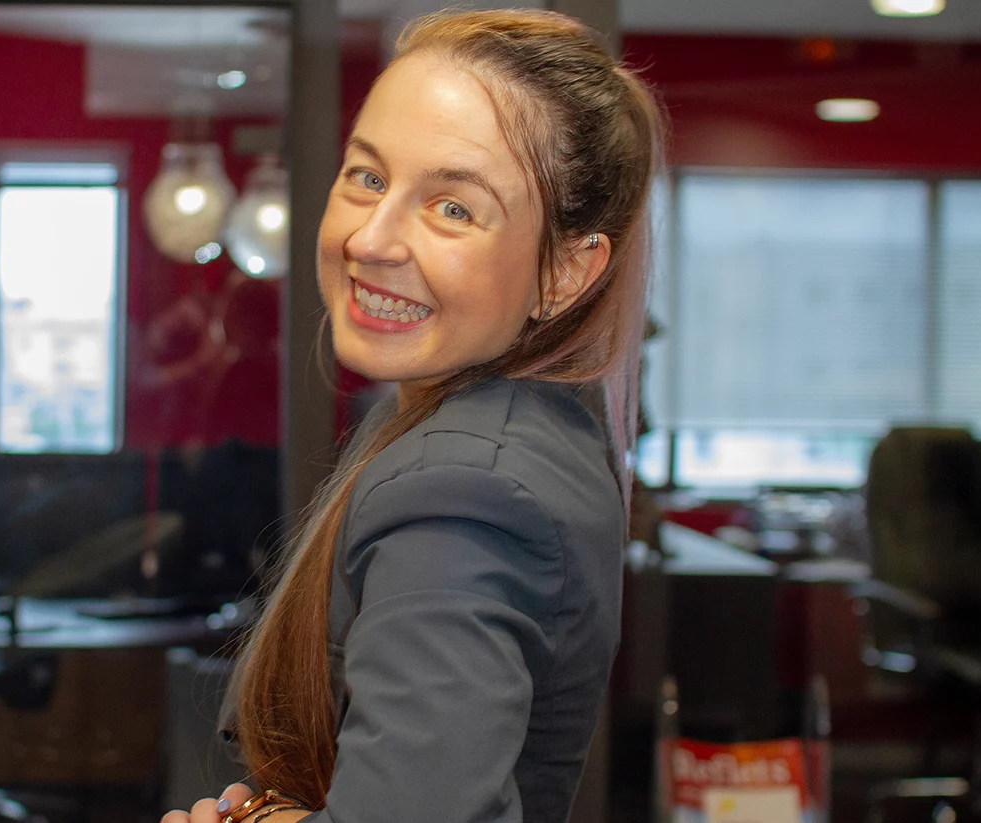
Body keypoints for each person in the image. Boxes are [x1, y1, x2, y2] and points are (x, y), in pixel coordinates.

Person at [163, 8, 662, 823]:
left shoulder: (465, 490)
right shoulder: (519, 429)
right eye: (366, 177)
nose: (372, 238)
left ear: (566, 273)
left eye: (453, 208)